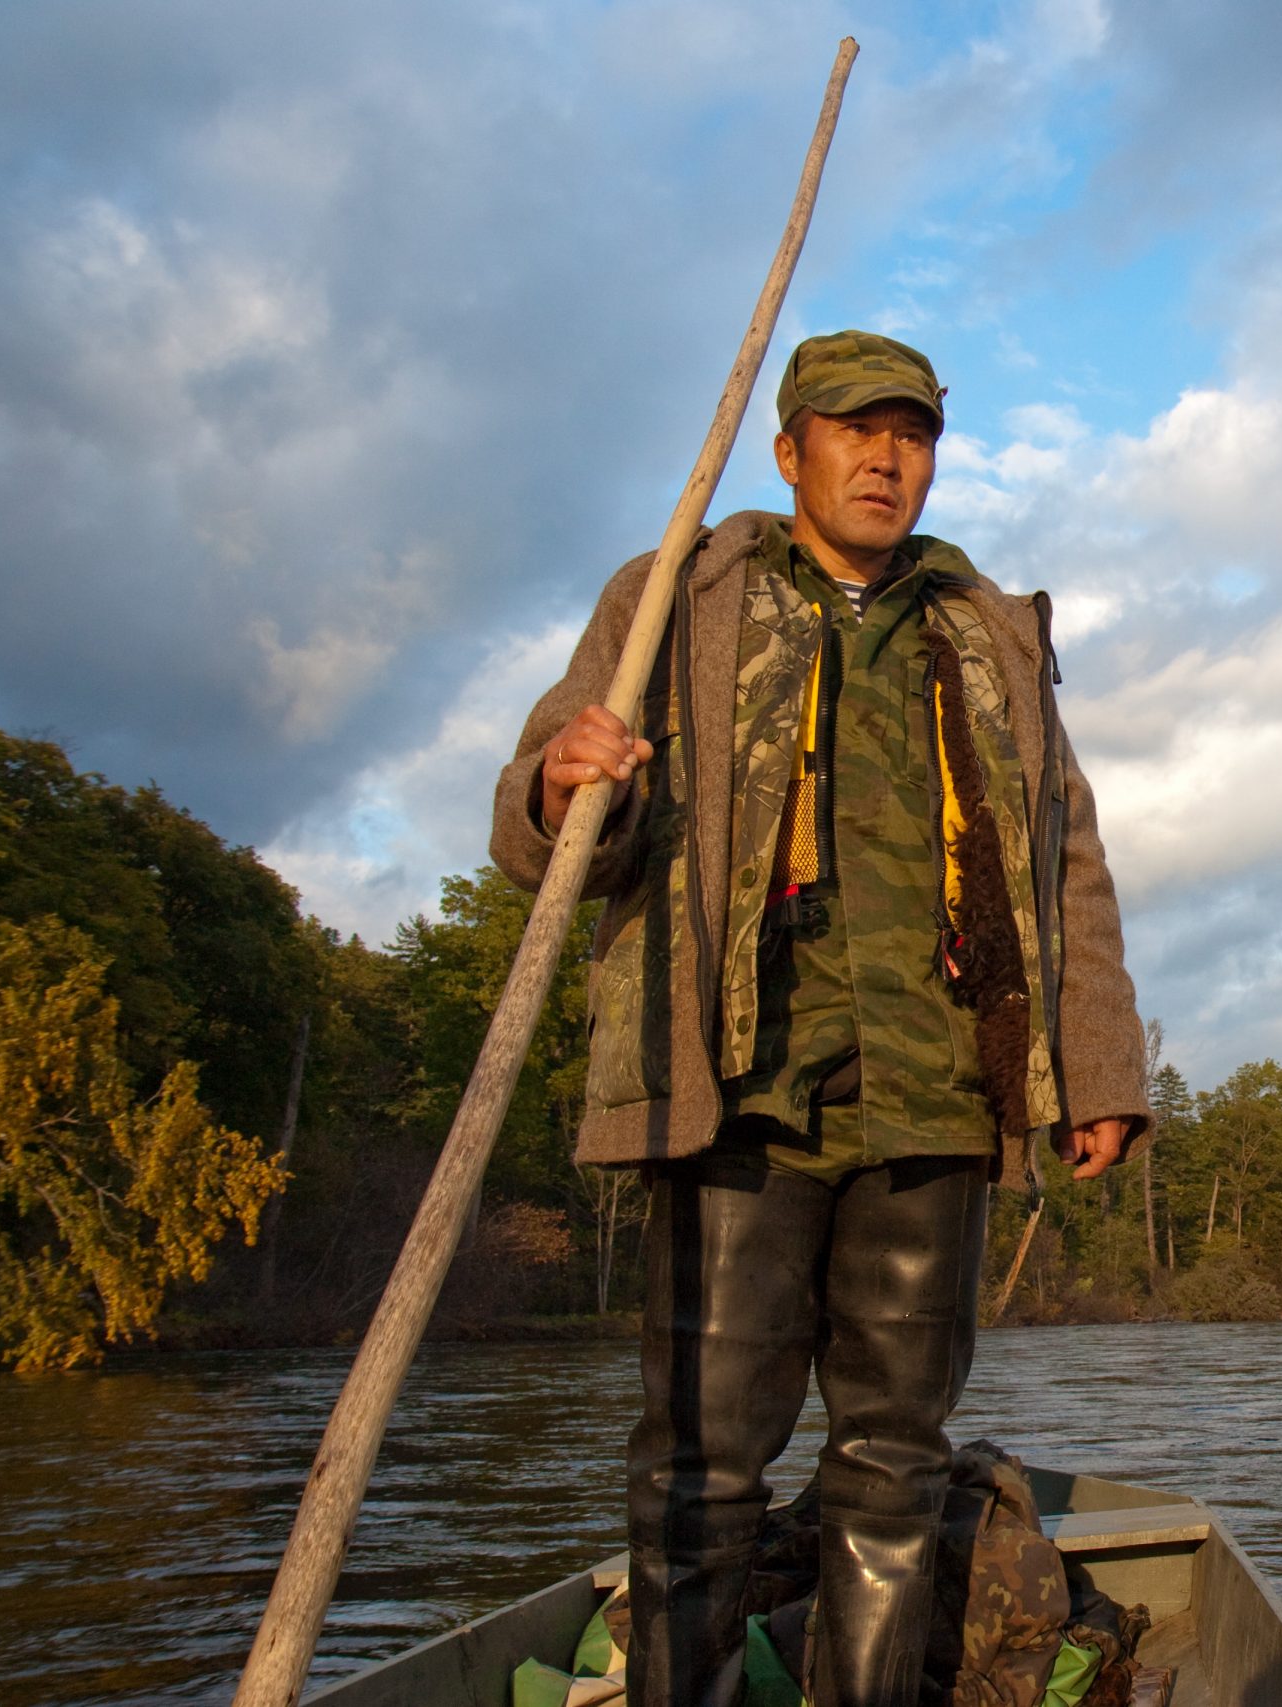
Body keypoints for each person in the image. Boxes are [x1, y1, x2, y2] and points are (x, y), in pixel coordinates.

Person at [489, 329, 1151, 1706]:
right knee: (701, 1460)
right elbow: (541, 819)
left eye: (910, 433)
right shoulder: (680, 593)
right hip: (738, 1090)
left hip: (934, 1096)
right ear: (789, 452)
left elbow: (1061, 850)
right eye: (853, 430)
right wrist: (563, 779)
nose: (885, 457)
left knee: (895, 1454)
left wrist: (1098, 1063)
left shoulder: (990, 627)